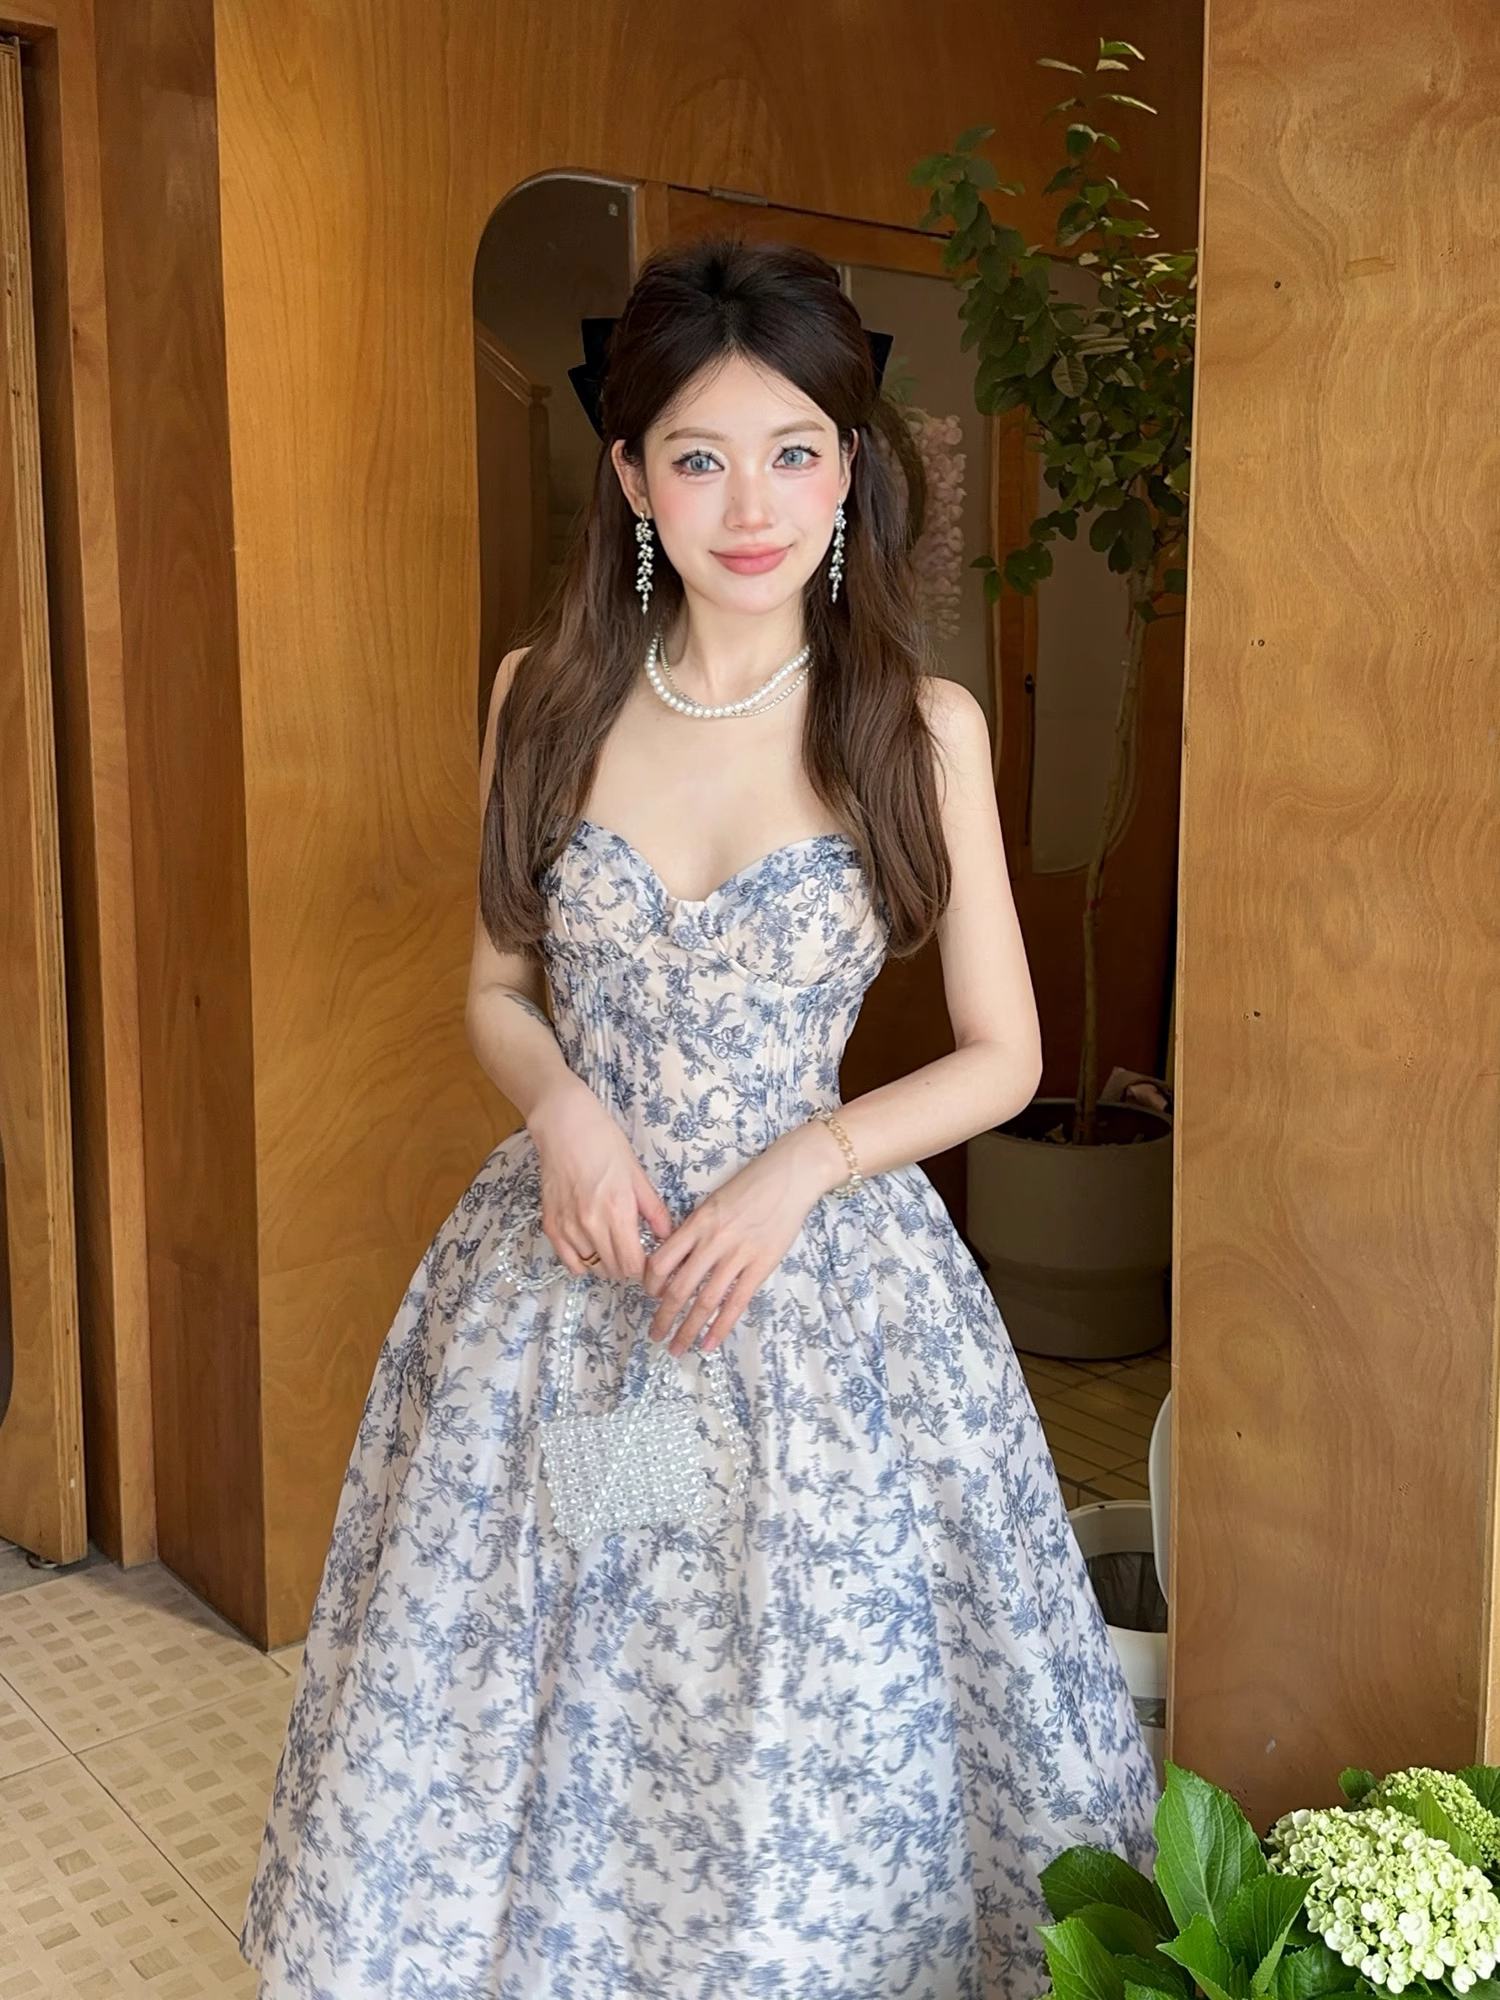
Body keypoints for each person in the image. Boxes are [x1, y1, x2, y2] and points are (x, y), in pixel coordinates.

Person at [239, 235, 1158, 2000]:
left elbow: (1004, 1056)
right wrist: (563, 1110)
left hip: (813, 1306)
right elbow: (496, 990)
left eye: (795, 451)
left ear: (851, 467)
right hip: (586, 1297)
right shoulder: (546, 695)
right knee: (595, 1680)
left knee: (795, 1699)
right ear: (631, 476)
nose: (754, 505)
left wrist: (806, 1162)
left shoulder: (921, 725)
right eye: (701, 456)